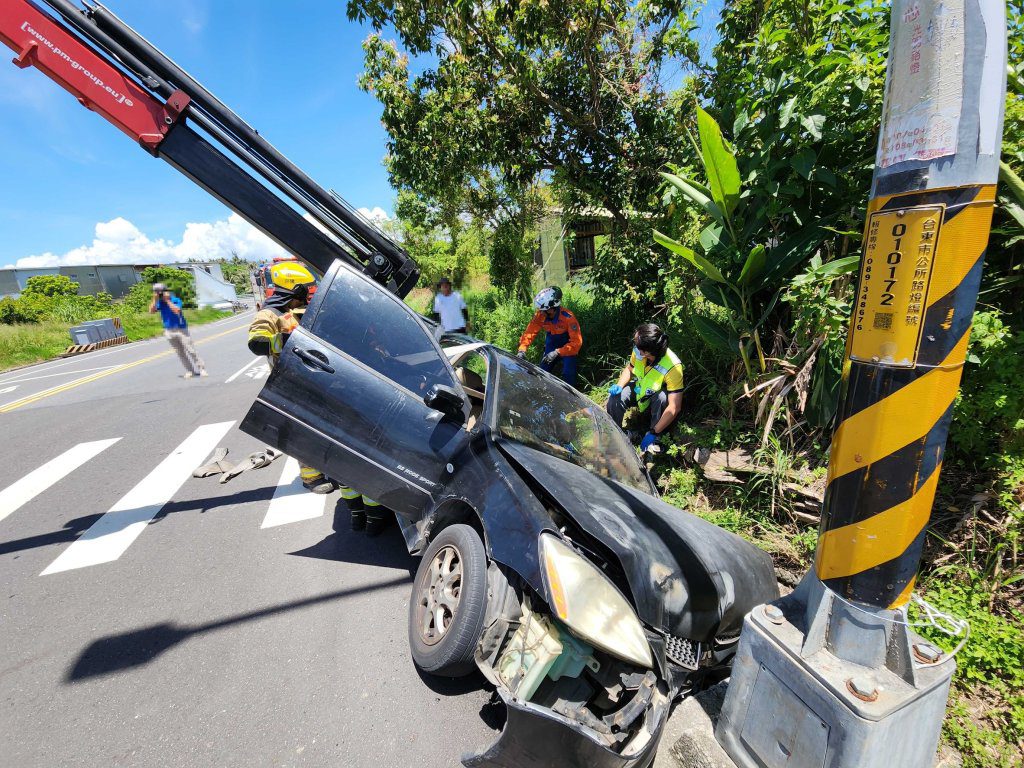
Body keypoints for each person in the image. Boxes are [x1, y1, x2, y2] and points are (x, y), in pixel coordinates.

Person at [246, 261, 334, 495]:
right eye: (305, 291)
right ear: (294, 290)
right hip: (288, 381)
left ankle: (327, 468)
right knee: (301, 430)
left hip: (307, 378)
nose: (307, 296)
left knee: (319, 427)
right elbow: (256, 342)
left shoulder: (291, 311)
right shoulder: (269, 313)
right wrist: (285, 342)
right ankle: (311, 478)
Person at [606, 323, 684, 452]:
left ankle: (655, 437)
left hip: (654, 400)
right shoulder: (639, 351)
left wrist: (654, 432)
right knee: (615, 397)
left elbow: (674, 406)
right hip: (639, 391)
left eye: (636, 344)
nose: (634, 346)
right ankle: (615, 434)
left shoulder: (673, 367)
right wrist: (619, 385)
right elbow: (630, 369)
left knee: (662, 397)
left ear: (648, 352)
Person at [517, 286, 582, 387]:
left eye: (543, 310)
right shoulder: (541, 315)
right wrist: (522, 349)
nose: (540, 312)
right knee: (542, 371)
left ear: (551, 308)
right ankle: (542, 391)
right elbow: (530, 331)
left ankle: (572, 396)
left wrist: (557, 352)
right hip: (551, 343)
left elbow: (576, 343)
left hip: (568, 347)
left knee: (568, 373)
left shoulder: (568, 318)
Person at [150, 282, 206, 378]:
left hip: (181, 329)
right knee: (180, 353)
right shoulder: (160, 303)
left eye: (160, 292)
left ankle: (202, 369)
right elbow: (151, 311)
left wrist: (167, 301)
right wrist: (155, 299)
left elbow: (176, 310)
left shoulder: (175, 300)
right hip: (169, 331)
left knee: (191, 350)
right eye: (157, 292)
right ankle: (190, 371)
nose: (160, 294)